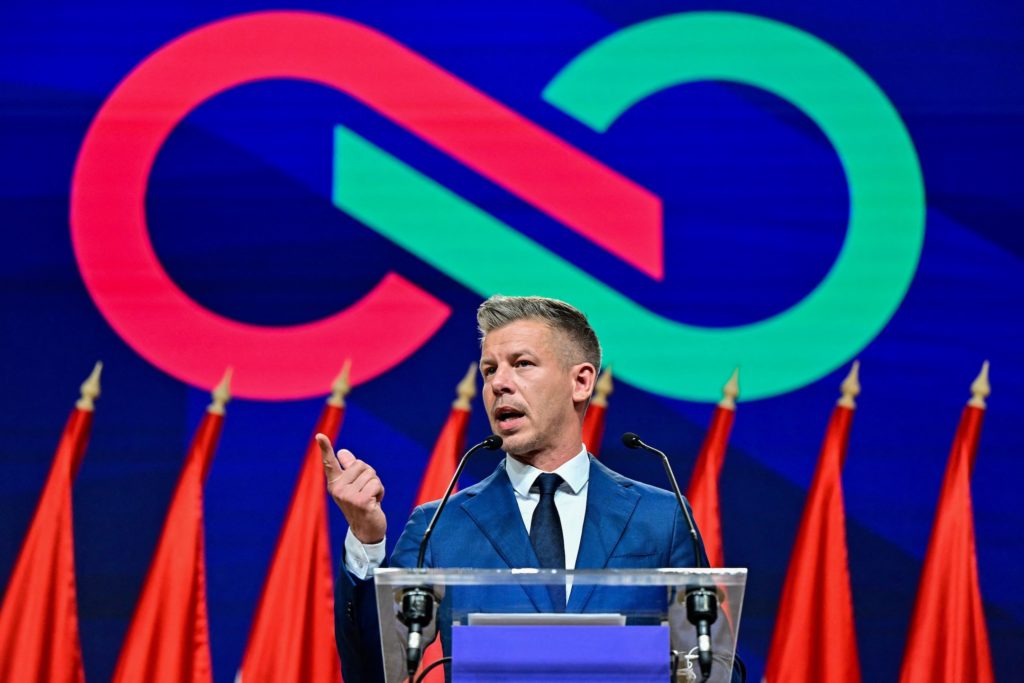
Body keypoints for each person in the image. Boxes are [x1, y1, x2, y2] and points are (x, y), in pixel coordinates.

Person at [319, 295, 734, 682]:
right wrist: (367, 541)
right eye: (489, 369)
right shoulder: (440, 525)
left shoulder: (660, 517)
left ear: (581, 382)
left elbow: (715, 667)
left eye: (521, 364)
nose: (499, 383)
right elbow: (376, 670)